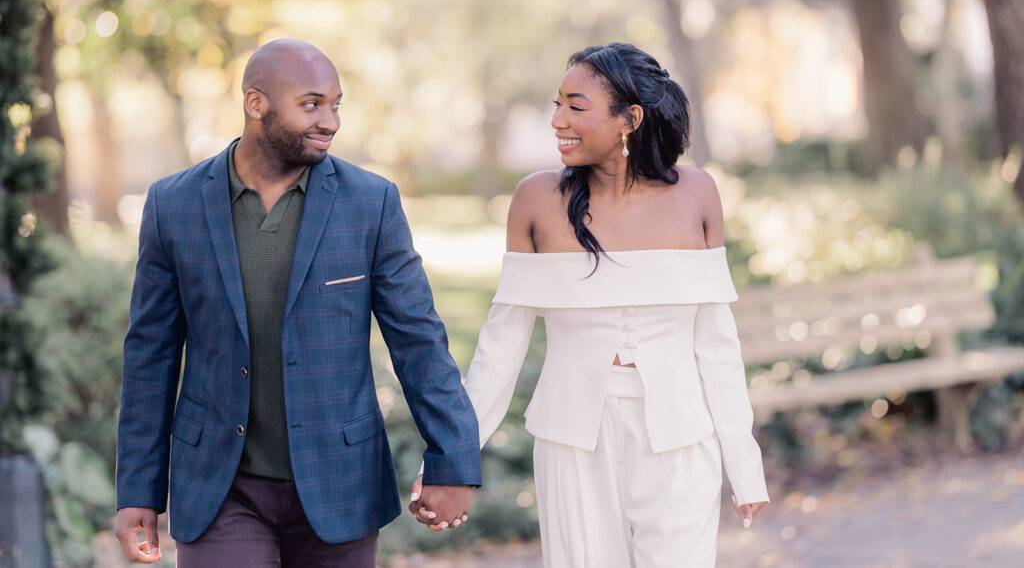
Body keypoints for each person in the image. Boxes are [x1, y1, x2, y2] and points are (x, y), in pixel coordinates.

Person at [113, 38, 478, 566]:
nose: (330, 120)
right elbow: (150, 354)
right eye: (311, 104)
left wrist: (454, 460)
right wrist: (137, 492)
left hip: (340, 480)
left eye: (336, 104)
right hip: (219, 486)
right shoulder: (174, 205)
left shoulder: (371, 203)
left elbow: (419, 339)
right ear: (255, 103)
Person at [412, 43, 769, 566]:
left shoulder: (698, 194)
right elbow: (502, 345)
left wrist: (743, 462)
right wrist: (455, 457)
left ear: (630, 119)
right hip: (571, 442)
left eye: (575, 107)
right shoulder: (536, 200)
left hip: (681, 437)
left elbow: (716, 342)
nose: (557, 120)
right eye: (556, 104)